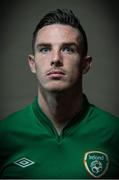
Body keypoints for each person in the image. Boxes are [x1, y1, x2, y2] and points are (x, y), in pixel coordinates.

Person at [0, 9, 119, 179]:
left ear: (85, 64)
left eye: (68, 50)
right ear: (32, 63)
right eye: (45, 49)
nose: (56, 59)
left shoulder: (114, 132)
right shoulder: (4, 135)